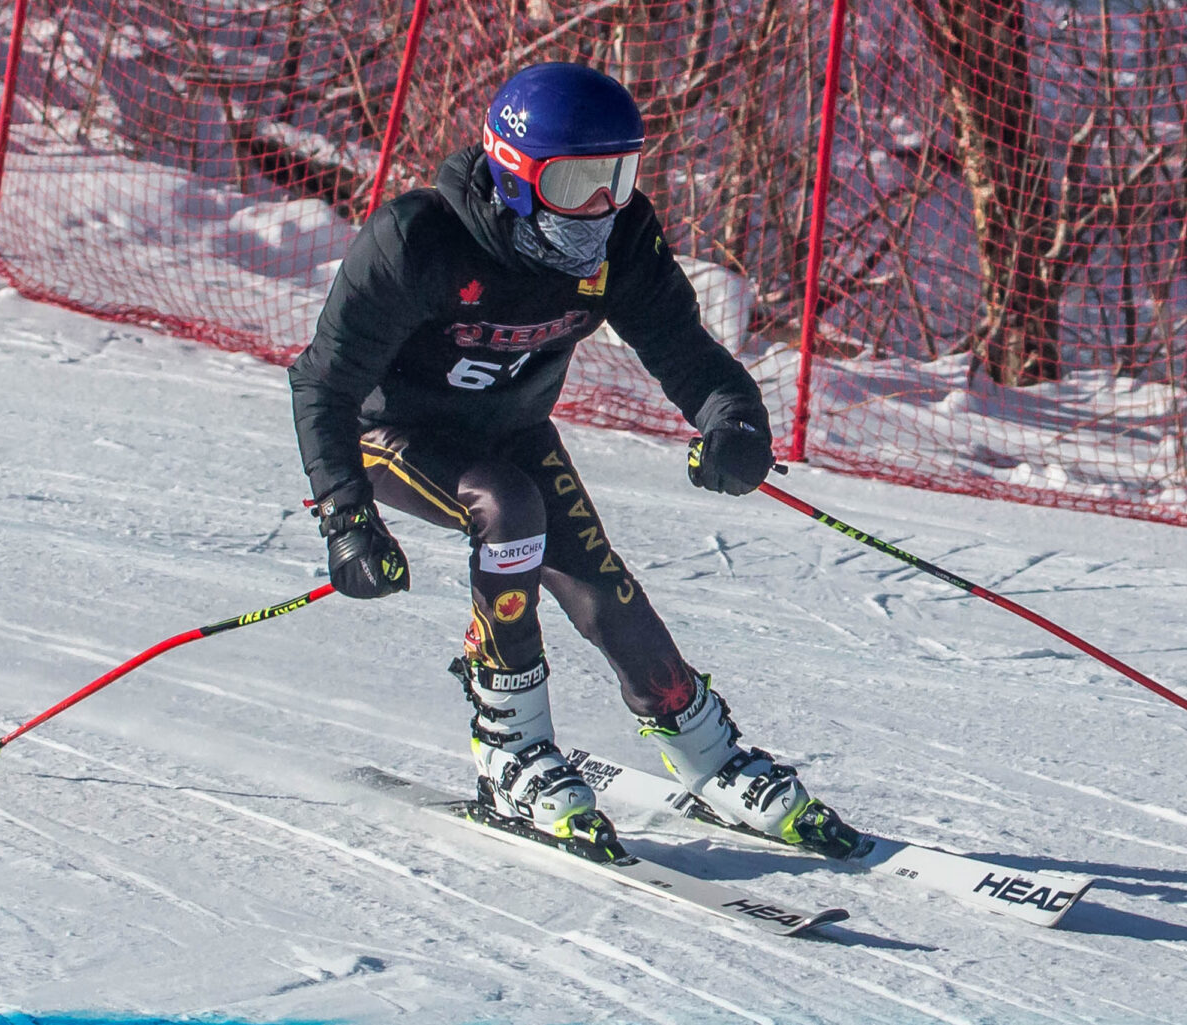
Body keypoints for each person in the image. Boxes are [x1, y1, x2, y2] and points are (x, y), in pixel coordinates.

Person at [289, 62, 858, 859]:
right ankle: (509, 745)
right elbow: (323, 383)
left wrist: (733, 421)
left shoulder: (618, 238)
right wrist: (346, 515)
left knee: (602, 587)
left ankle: (709, 755)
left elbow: (682, 348)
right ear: (515, 175)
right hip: (390, 432)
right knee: (507, 506)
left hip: (509, 428)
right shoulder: (419, 240)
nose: (599, 205)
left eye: (616, 177)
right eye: (575, 182)